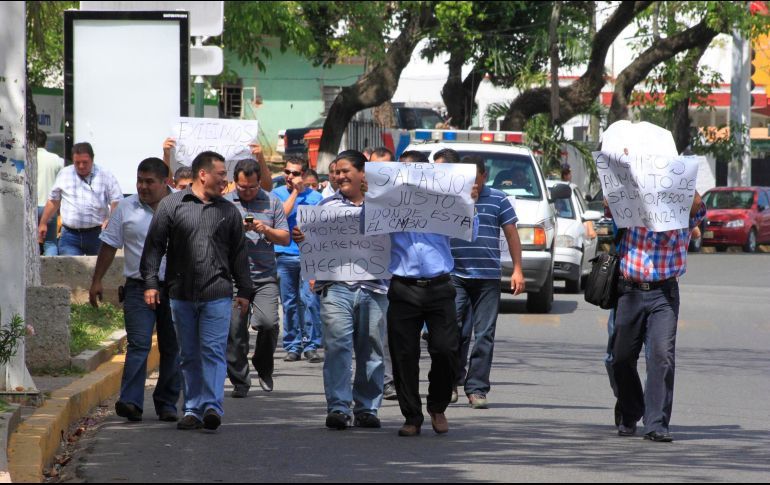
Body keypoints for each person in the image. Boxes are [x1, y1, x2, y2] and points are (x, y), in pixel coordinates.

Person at [141, 151, 253, 432]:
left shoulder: (228, 211)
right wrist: (152, 283)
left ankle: (212, 406)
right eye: (221, 175)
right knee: (189, 353)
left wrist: (245, 290)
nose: (225, 181)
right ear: (203, 174)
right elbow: (154, 247)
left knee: (213, 350)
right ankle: (192, 408)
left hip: (217, 292)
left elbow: (239, 254)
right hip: (181, 294)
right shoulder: (171, 205)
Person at [293, 150, 389, 430]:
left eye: (345, 171)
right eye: (335, 172)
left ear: (363, 173)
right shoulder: (326, 206)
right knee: (337, 347)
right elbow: (314, 245)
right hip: (336, 288)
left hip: (373, 288)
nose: (338, 176)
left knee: (371, 349)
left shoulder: (383, 206)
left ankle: (367, 408)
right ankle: (338, 407)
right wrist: (303, 240)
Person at [386, 157, 479, 437]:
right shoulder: (389, 202)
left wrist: (468, 203)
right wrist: (372, 196)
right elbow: (369, 227)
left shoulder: (443, 202)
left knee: (446, 349)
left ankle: (437, 406)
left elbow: (469, 233)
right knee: (403, 355)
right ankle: (412, 416)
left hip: (439, 287)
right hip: (404, 287)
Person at [609, 184, 705, 442]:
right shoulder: (633, 202)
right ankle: (630, 411)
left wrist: (682, 183)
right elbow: (610, 204)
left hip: (664, 293)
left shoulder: (681, 208)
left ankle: (656, 423)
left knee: (662, 356)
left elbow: (698, 205)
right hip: (630, 290)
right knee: (619, 357)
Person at [89, 157, 181, 423]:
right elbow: (109, 246)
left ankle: (166, 402)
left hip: (174, 288)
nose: (142, 186)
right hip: (138, 288)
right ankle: (130, 402)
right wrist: (97, 281)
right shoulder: (126, 208)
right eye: (140, 180)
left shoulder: (182, 206)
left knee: (172, 346)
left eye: (149, 182)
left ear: (165, 183)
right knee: (139, 344)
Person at [450, 155, 525, 409]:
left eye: (475, 178)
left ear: (484, 176)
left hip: (487, 278)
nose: (471, 183)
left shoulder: (498, 199)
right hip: (455, 275)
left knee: (484, 335)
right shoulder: (450, 197)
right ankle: (450, 382)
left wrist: (517, 270)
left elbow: (512, 234)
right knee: (453, 332)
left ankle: (477, 388)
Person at [225, 159, 290, 398]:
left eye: (252, 187)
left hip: (264, 277)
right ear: (235, 182)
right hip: (233, 279)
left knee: (269, 323)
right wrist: (236, 230)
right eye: (243, 188)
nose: (248, 192)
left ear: (259, 182)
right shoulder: (224, 203)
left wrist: (266, 230)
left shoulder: (272, 201)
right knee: (234, 331)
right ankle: (240, 380)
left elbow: (284, 238)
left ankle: (263, 366)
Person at [272, 156, 324, 362]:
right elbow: (280, 217)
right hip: (284, 255)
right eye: (287, 172)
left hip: (308, 255)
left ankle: (311, 344)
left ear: (304, 175)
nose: (290, 176)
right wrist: (295, 192)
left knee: (309, 300)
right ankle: (293, 345)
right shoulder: (277, 194)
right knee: (289, 302)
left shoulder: (317, 197)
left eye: (295, 173)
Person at [38, 142, 123, 256]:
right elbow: (54, 200)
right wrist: (43, 223)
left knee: (99, 271)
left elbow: (117, 200)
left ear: (92, 160)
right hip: (70, 236)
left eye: (85, 162)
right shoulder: (65, 174)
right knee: (69, 271)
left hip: (98, 235)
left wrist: (111, 220)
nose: (81, 166)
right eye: (77, 163)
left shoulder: (105, 175)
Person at [163, 138, 272, 192]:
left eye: (221, 173)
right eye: (182, 187)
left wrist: (260, 158)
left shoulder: (230, 192)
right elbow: (165, 184)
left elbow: (266, 188)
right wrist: (167, 155)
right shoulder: (174, 202)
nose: (187, 190)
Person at [35, 129, 64, 256]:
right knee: (50, 243)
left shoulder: (25, 158)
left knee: (28, 242)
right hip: (50, 207)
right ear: (45, 143)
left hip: (29, 208)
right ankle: (51, 273)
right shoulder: (56, 160)